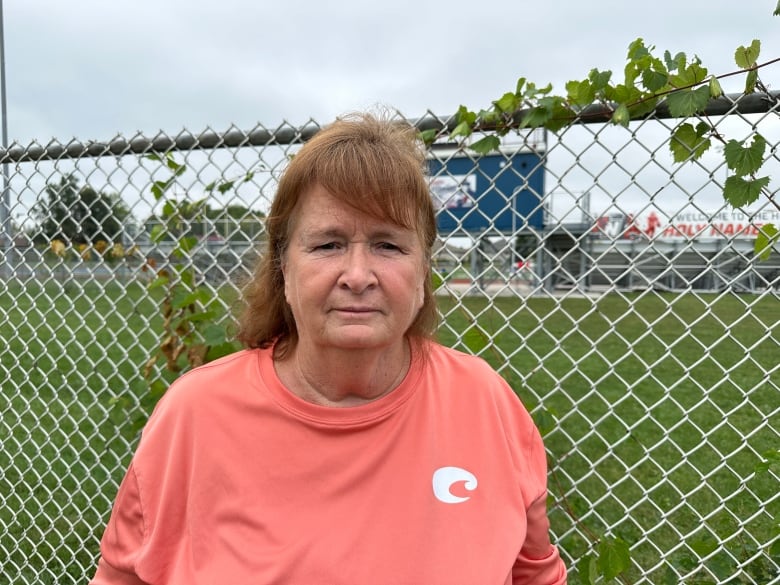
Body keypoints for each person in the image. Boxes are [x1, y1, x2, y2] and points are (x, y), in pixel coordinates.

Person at [90, 112, 567, 584]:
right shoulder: (195, 416)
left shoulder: (486, 402)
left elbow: (535, 573)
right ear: (284, 270)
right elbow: (121, 577)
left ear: (423, 271)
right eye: (327, 245)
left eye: (388, 245)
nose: (357, 276)